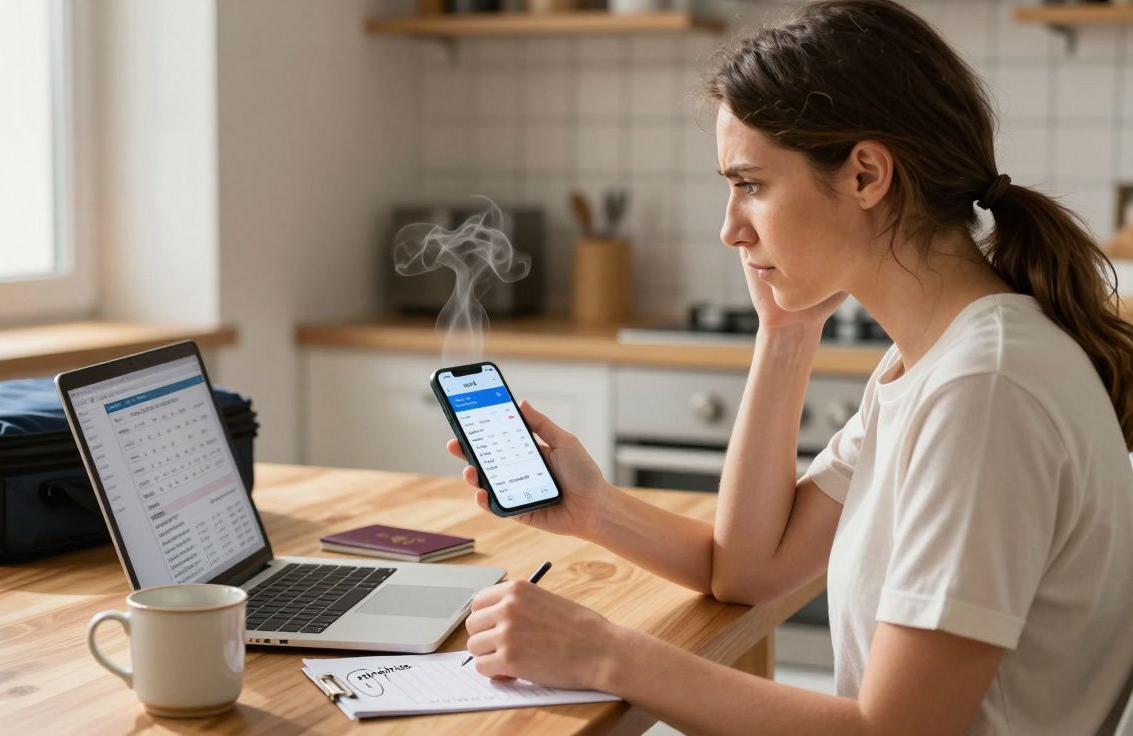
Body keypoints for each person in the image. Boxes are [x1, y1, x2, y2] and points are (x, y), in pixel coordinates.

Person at [446, 1, 1133, 733]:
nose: (729, 227)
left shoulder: (983, 392)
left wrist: (602, 652)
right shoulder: (931, 361)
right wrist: (785, 332)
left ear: (867, 174)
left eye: (751, 184)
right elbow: (749, 571)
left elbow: (895, 733)